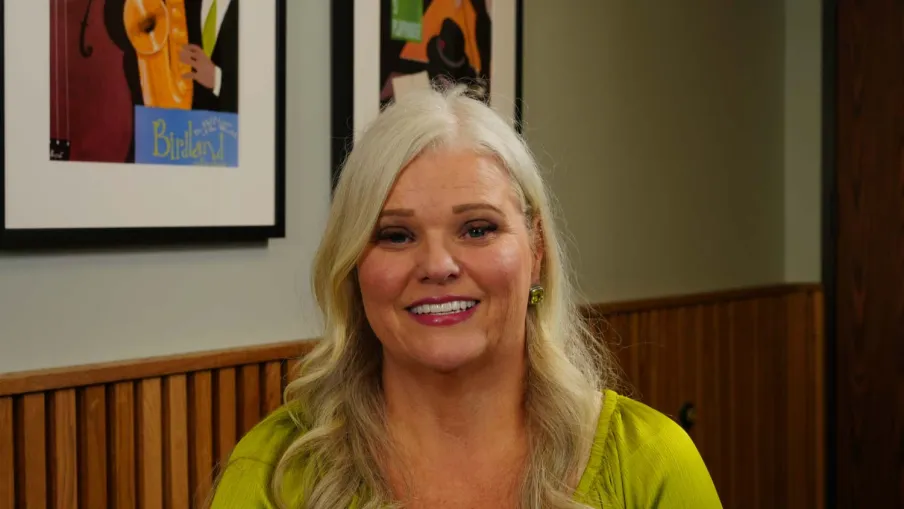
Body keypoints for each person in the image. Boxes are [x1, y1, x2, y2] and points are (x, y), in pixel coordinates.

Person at [207, 85, 723, 508]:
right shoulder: (273, 472)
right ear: (353, 267)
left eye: (477, 229)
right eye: (396, 235)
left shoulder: (652, 464)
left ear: (536, 249)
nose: (437, 266)